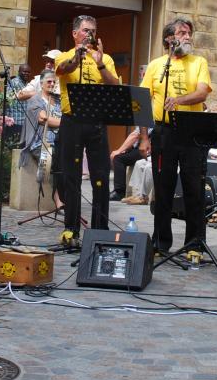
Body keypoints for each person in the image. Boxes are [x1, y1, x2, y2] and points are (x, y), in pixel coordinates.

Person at [138, 18, 212, 259]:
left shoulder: (199, 62)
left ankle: (194, 244)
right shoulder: (157, 65)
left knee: (194, 189)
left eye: (189, 32)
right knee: (163, 188)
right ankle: (161, 242)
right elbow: (142, 102)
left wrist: (178, 101)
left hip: (192, 131)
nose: (188, 36)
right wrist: (143, 138)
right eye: (182, 32)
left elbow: (202, 92)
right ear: (169, 39)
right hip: (163, 131)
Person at [53, 15, 119, 245]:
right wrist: (78, 55)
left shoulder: (105, 58)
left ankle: (100, 229)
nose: (89, 34)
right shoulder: (64, 55)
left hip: (97, 121)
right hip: (72, 120)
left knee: (100, 176)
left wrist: (99, 62)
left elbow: (114, 85)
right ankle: (71, 229)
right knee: (71, 177)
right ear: (75, 33)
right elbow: (62, 70)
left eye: (92, 30)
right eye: (85, 30)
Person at [19, 71, 63, 209]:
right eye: (48, 81)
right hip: (40, 142)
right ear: (41, 84)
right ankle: (58, 200)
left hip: (59, 140)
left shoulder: (59, 100)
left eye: (53, 82)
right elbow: (43, 119)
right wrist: (66, 122)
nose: (51, 84)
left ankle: (68, 198)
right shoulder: (35, 100)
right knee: (53, 160)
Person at [109, 127, 147, 202]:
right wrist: (124, 149)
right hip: (139, 147)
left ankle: (119, 192)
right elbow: (133, 135)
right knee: (120, 155)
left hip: (146, 150)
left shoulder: (147, 120)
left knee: (118, 159)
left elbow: (135, 136)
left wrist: (119, 150)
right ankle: (119, 191)